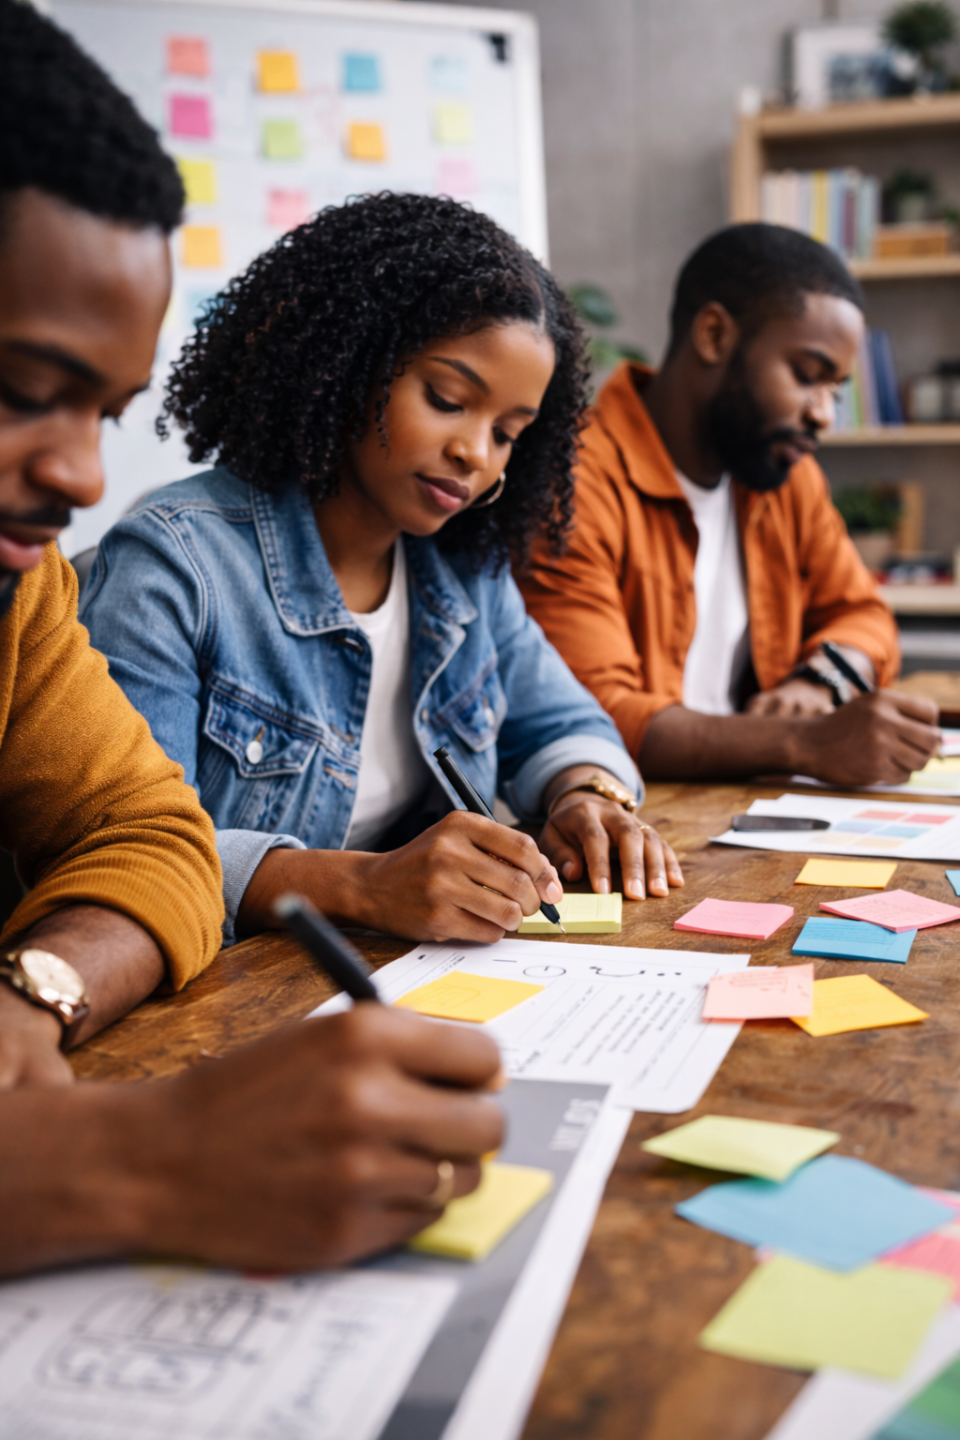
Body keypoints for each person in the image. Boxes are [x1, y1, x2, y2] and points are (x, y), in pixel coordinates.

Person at [0, 0, 502, 1278]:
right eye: (20, 393)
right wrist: (144, 1157)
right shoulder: (180, 552)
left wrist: (36, 989)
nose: (74, 473)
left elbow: (150, 831)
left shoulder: (20, 596)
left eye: (106, 411)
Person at [81, 191, 684, 944]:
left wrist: (586, 796)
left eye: (508, 432)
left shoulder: (464, 570)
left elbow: (565, 723)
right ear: (347, 361)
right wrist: (365, 885)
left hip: (400, 975)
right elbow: (127, 849)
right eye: (447, 399)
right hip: (221, 1003)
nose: (475, 453)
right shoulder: (175, 564)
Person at [517, 224, 940, 788]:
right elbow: (596, 719)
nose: (822, 414)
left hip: (746, 802)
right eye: (807, 376)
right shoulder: (573, 481)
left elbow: (863, 613)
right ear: (714, 335)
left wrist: (820, 683)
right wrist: (804, 740)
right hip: (634, 820)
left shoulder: (784, 477)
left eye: (834, 390)